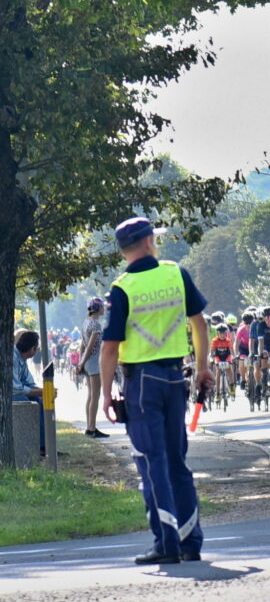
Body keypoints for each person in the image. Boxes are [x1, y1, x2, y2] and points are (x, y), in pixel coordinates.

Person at [99, 216, 211, 565]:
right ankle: (191, 541)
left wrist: (106, 393)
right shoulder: (175, 274)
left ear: (124, 250)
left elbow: (110, 347)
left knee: (152, 462)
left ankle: (166, 543)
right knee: (177, 460)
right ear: (148, 242)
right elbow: (199, 323)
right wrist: (204, 367)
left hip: (141, 382)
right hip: (175, 377)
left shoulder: (122, 289)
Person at [12, 329, 47, 456]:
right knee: (26, 403)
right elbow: (15, 388)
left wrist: (42, 392)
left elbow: (29, 382)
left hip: (15, 393)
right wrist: (38, 392)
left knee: (39, 401)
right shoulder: (13, 357)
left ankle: (42, 446)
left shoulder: (22, 359)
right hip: (7, 395)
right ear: (33, 349)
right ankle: (26, 446)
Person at [79, 297, 109, 438]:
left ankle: (89, 426)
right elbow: (90, 346)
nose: (104, 309)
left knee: (90, 395)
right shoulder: (96, 325)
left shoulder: (86, 323)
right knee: (95, 396)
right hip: (94, 362)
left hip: (87, 362)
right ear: (98, 308)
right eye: (102, 306)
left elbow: (82, 345)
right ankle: (92, 428)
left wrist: (81, 362)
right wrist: (82, 362)